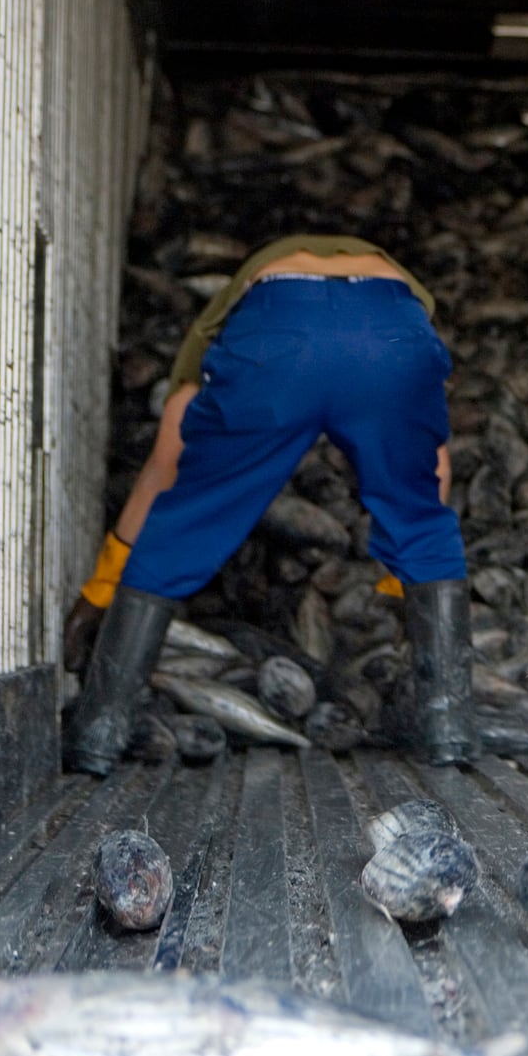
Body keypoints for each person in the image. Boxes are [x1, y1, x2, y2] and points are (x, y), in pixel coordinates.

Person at [65, 235, 475, 774]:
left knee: (186, 517)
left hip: (279, 333)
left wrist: (100, 590)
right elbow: (433, 467)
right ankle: (449, 731)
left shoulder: (232, 305)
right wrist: (403, 586)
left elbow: (167, 461)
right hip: (390, 338)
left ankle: (99, 731)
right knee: (421, 515)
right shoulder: (406, 296)